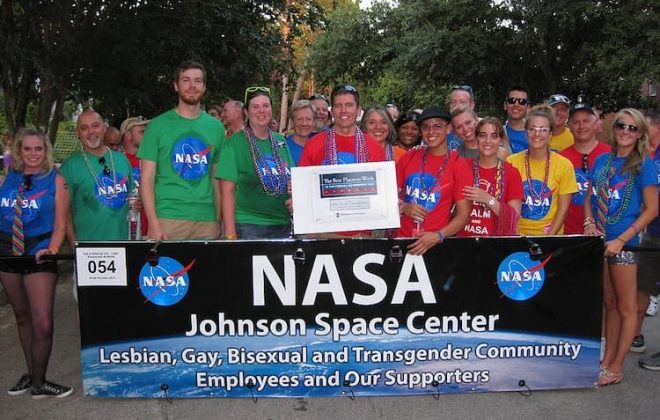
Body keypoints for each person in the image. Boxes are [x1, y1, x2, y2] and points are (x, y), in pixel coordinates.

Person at [584, 108, 658, 386]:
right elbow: (591, 195)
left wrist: (622, 239)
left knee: (626, 307)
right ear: (613, 129)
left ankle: (615, 367)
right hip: (600, 241)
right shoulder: (602, 159)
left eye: (632, 128)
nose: (625, 132)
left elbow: (652, 209)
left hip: (625, 244)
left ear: (640, 134)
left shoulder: (644, 164)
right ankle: (605, 361)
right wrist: (590, 221)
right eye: (621, 126)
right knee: (610, 303)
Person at [0, 128, 71, 398]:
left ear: (46, 150)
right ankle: (33, 374)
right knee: (22, 317)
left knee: (43, 322)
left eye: (38, 149)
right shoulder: (9, 176)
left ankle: (40, 383)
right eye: (27, 149)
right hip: (7, 251)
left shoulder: (56, 180)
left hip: (38, 251)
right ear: (19, 150)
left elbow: (61, 224)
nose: (32, 154)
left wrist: (52, 249)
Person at [137, 60, 225, 240]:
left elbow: (217, 180)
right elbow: (146, 180)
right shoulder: (157, 126)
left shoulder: (216, 128)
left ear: (204, 86)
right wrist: (153, 224)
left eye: (198, 81)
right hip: (168, 219)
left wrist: (218, 220)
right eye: (186, 80)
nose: (192, 86)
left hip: (206, 220)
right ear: (176, 86)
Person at [299, 85, 386, 238]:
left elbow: (382, 194)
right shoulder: (314, 144)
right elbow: (303, 189)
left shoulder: (374, 147)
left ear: (359, 111)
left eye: (349, 105)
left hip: (361, 236)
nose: (343, 111)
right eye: (338, 106)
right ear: (332, 112)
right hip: (323, 234)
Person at [217, 87, 294, 239]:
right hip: (250, 226)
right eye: (255, 107)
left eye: (266, 106)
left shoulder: (280, 140)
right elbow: (227, 191)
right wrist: (230, 234)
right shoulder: (234, 143)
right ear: (246, 112)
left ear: (272, 109)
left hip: (283, 224)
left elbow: (293, 177)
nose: (261, 111)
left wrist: (295, 196)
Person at [396, 106, 471, 255]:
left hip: (434, 244)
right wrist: (404, 207)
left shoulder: (459, 164)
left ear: (448, 128)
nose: (431, 132)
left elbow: (464, 214)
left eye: (437, 126)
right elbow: (389, 196)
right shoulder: (409, 157)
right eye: (426, 127)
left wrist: (438, 236)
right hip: (402, 240)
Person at [60, 110, 132, 240]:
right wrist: (74, 244)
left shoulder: (122, 160)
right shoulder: (70, 167)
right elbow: (64, 212)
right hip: (89, 248)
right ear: (78, 133)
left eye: (95, 126)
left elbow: (131, 198)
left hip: (123, 244)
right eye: (84, 128)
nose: (91, 132)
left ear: (104, 128)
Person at [506, 104, 577, 235]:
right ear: (526, 132)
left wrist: (549, 239)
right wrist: (516, 237)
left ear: (550, 134)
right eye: (532, 129)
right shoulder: (511, 162)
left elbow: (563, 209)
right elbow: (507, 206)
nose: (537, 134)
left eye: (543, 129)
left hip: (550, 237)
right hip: (517, 235)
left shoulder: (564, 165)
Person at [458, 118, 523, 237]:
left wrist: (488, 199)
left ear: (500, 141)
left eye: (494, 136)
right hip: (463, 242)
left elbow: (514, 217)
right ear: (476, 138)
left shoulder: (511, 173)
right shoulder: (461, 166)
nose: (488, 141)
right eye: (483, 135)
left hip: (495, 244)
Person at [632, 108, 660, 354]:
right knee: (644, 285)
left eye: (639, 127)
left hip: (649, 225)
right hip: (651, 231)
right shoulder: (643, 157)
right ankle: (635, 335)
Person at [560, 103, 611, 235]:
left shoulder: (610, 155)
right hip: (568, 233)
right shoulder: (561, 159)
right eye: (576, 122)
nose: (581, 126)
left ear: (595, 124)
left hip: (605, 233)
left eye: (586, 121)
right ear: (569, 127)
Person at [120, 116, 150, 238]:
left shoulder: (150, 159)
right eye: (142, 131)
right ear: (128, 135)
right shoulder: (116, 160)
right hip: (123, 229)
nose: (146, 134)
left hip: (147, 230)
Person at [286, 100, 316, 165]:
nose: (304, 123)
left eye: (308, 119)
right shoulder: (284, 148)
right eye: (299, 119)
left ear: (314, 122)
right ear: (293, 122)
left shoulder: (319, 146)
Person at [447, 85, 476, 151]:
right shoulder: (443, 130)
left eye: (462, 102)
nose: (457, 106)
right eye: (453, 102)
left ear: (472, 105)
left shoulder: (484, 127)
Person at [503, 86, 530, 153]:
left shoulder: (536, 133)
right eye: (512, 100)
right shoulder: (497, 133)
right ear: (505, 105)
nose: (516, 104)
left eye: (522, 101)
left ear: (528, 108)